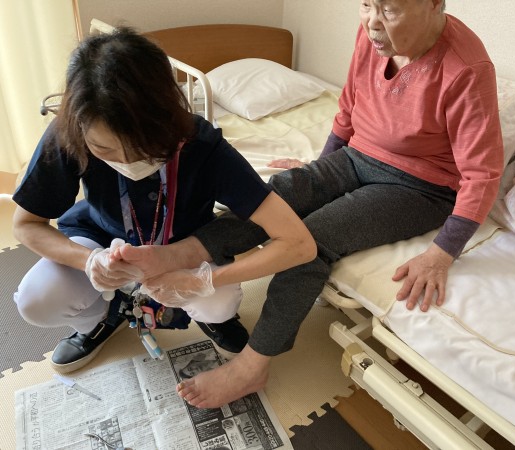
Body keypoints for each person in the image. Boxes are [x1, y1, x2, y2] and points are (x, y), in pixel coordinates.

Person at [119, 0, 504, 409]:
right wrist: (320, 174)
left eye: (389, 10)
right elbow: (349, 110)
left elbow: (482, 174)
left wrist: (441, 254)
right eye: (366, 5)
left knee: (309, 245)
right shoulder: (373, 37)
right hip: (356, 156)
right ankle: (179, 254)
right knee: (276, 197)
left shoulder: (466, 68)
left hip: (420, 186)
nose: (373, 23)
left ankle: (252, 365)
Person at [12, 27, 315, 393]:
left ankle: (210, 317)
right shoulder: (67, 133)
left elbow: (299, 243)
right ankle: (100, 320)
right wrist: (88, 261)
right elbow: (26, 224)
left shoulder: (203, 146)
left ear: (168, 118)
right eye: (104, 150)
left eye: (144, 149)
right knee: (36, 300)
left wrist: (203, 280)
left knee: (219, 303)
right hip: (100, 238)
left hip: (183, 246)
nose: (127, 162)